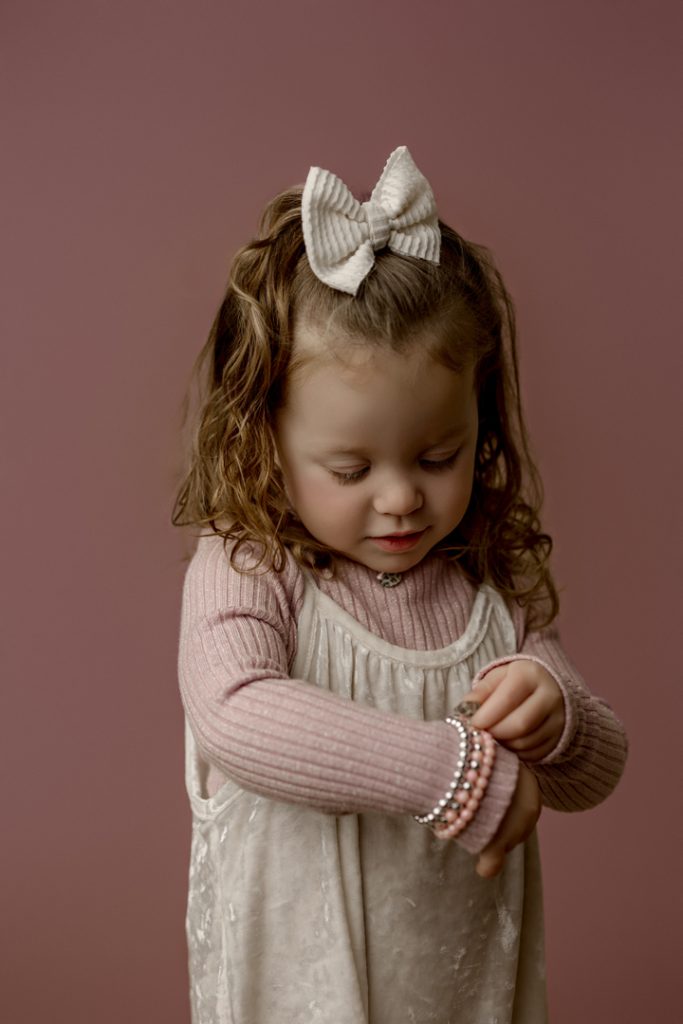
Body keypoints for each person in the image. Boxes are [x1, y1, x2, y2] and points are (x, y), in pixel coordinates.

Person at [174, 146, 628, 1024]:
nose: (400, 498)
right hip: (295, 991)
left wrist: (556, 711)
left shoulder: (484, 579)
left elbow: (592, 772)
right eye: (349, 468)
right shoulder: (250, 564)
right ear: (263, 439)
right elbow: (235, 710)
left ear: (479, 425)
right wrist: (451, 772)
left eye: (437, 456)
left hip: (460, 988)